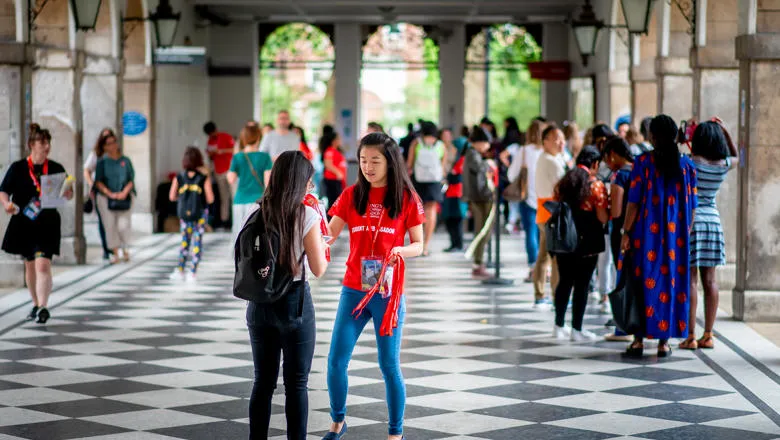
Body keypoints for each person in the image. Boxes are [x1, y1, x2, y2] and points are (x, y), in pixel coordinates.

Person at [324, 132, 424, 440]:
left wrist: (400, 251)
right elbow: (329, 234)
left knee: (388, 365)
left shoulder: (406, 197)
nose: (368, 167)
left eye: (375, 161)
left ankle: (395, 433)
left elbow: (419, 245)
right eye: (364, 160)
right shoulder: (352, 194)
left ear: (390, 162)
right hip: (353, 289)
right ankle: (337, 422)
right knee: (336, 361)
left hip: (387, 294)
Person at [243, 151, 329, 440]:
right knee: (296, 384)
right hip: (294, 304)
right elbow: (318, 268)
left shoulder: (254, 212)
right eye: (309, 181)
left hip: (258, 303)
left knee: (262, 383)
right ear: (299, 182)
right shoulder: (307, 214)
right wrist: (322, 239)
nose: (311, 187)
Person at [620, 114, 698, 358]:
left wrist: (626, 231)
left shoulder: (643, 163)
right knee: (671, 283)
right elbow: (692, 205)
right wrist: (684, 232)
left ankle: (639, 340)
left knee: (642, 281)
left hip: (645, 235)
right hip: (677, 238)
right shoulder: (687, 166)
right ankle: (664, 342)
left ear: (652, 136)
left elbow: (633, 202)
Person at [0, 123, 73, 324]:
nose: (46, 146)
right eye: (42, 142)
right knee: (30, 265)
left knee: (43, 263)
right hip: (24, 221)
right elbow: (3, 190)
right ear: (31, 144)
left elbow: (67, 191)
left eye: (48, 142)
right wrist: (7, 204)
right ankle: (35, 302)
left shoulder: (56, 168)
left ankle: (43, 306)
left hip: (47, 222)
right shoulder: (18, 168)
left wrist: (68, 193)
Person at [679, 119, 738, 350]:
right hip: (713, 222)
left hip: (691, 222)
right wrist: (726, 133)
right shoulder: (722, 164)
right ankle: (709, 334)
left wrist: (681, 139)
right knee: (711, 280)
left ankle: (690, 335)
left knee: (691, 280)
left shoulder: (689, 162)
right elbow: (737, 157)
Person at [552, 146, 609, 341]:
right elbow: (602, 217)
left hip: (564, 239)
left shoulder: (564, 183)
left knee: (564, 281)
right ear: (594, 164)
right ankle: (577, 329)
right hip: (587, 241)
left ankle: (558, 325)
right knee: (582, 284)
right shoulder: (595, 186)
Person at [532, 125, 567, 307]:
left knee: (544, 256)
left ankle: (541, 294)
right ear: (545, 142)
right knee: (555, 257)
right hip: (551, 214)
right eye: (556, 139)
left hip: (544, 213)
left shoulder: (548, 158)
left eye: (562, 138)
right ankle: (555, 295)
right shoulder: (550, 161)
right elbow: (565, 187)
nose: (561, 143)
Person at [168, 147, 215, 282]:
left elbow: (172, 196)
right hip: (200, 215)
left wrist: (183, 199)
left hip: (185, 217)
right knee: (197, 242)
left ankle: (180, 269)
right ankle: (193, 271)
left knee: (184, 243)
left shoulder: (179, 177)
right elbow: (210, 198)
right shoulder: (203, 178)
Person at [508, 119, 546, 283]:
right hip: (546, 198)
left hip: (527, 197)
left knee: (530, 232)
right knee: (543, 235)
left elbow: (511, 175)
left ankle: (533, 268)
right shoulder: (547, 151)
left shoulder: (523, 151)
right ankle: (545, 268)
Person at [95, 130, 135, 264]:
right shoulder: (102, 162)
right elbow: (98, 181)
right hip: (106, 198)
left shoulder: (125, 160)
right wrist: (110, 193)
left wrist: (124, 192)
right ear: (104, 147)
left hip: (125, 196)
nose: (112, 146)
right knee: (110, 225)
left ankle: (125, 250)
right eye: (108, 144)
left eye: (114, 142)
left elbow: (131, 179)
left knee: (123, 225)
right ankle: (115, 253)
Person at [407, 121, 445, 256]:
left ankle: (417, 243)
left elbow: (410, 164)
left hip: (418, 181)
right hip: (434, 182)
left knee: (416, 211)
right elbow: (443, 165)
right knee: (431, 211)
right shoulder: (440, 145)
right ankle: (426, 245)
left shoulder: (416, 143)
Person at [228, 123, 273, 237]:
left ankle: (238, 255)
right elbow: (268, 183)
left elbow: (231, 179)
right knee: (256, 236)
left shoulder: (237, 157)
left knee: (239, 234)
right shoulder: (265, 157)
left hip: (240, 200)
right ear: (258, 137)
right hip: (257, 202)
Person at [462, 126, 495, 279]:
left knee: (482, 230)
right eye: (487, 143)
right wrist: (489, 163)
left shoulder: (471, 153)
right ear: (480, 142)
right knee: (483, 230)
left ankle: (479, 262)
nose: (488, 146)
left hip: (479, 196)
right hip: (481, 197)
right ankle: (478, 263)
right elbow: (479, 168)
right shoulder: (472, 153)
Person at [84, 128, 115, 260]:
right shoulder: (96, 154)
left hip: (114, 190)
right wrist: (91, 184)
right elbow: (87, 170)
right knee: (103, 220)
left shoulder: (116, 154)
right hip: (100, 190)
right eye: (106, 139)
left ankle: (112, 245)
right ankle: (106, 248)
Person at [203, 121, 234, 227]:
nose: (211, 136)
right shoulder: (210, 141)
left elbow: (234, 150)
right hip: (218, 171)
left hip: (229, 170)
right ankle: (224, 220)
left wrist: (223, 151)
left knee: (233, 195)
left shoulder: (226, 136)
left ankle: (235, 219)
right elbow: (209, 154)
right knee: (223, 197)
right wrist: (212, 154)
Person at [442, 133, 468, 252]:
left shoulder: (463, 160)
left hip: (458, 193)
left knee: (456, 221)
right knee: (450, 219)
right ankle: (454, 244)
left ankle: (458, 244)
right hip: (451, 192)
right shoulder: (456, 159)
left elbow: (457, 176)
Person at [322, 132, 347, 215]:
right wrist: (338, 173)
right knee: (333, 202)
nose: (340, 140)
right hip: (332, 180)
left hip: (337, 180)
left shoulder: (337, 151)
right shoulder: (329, 151)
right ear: (333, 141)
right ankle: (330, 220)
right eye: (338, 139)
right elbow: (328, 164)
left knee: (337, 201)